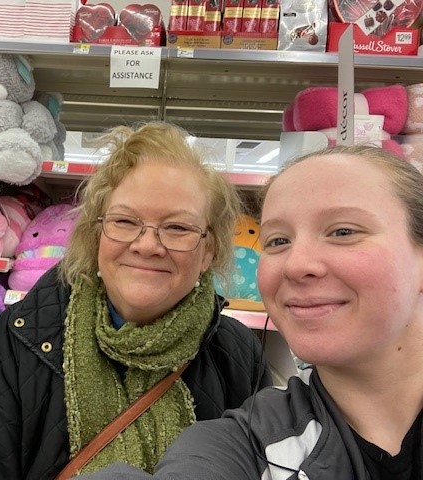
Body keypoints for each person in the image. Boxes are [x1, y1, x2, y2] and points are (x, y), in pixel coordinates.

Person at [0, 121, 272, 479]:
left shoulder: (237, 355)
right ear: (97, 232)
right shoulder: (24, 336)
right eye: (125, 221)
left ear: (209, 249)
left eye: (177, 227)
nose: (147, 245)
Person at [78, 143, 423, 479]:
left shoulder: (236, 350)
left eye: (343, 231)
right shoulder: (244, 441)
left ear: (209, 249)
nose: (296, 264)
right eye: (278, 240)